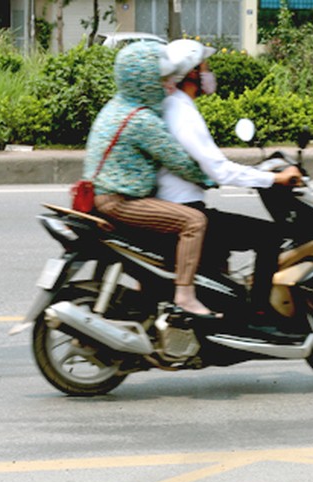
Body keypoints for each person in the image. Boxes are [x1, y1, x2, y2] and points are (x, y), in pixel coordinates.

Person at [157, 39, 303, 328]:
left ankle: (224, 311)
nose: (210, 73)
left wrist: (258, 172)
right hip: (185, 211)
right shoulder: (182, 113)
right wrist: (274, 178)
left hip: (176, 207)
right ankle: (260, 315)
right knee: (269, 236)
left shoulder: (174, 106)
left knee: (221, 246)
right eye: (205, 67)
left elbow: (209, 166)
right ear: (192, 74)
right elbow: (220, 170)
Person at [84, 40, 220, 318]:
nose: (168, 83)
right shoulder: (142, 120)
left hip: (101, 196)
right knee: (194, 222)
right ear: (145, 80)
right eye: (162, 78)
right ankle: (185, 295)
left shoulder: (116, 106)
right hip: (121, 202)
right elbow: (178, 161)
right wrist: (209, 178)